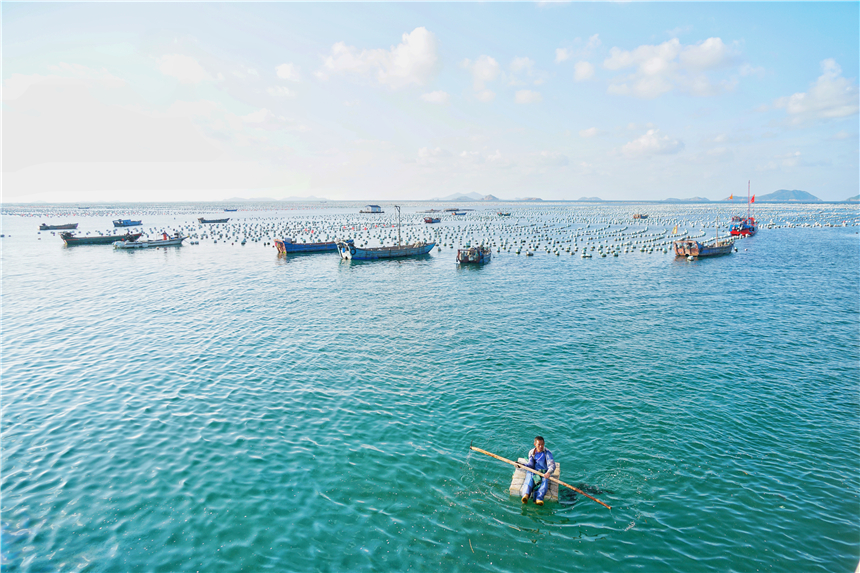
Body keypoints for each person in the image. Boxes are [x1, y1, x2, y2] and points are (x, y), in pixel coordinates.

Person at [520, 436, 555, 505]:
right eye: (539, 444)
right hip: (534, 470)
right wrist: (523, 466)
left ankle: (539, 498)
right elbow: (531, 464)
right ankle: (526, 495)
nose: (541, 446)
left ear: (544, 443)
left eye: (542, 444)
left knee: (544, 482)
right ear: (535, 444)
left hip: (544, 472)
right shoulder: (532, 452)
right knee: (529, 478)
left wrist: (548, 472)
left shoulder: (547, 453)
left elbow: (552, 465)